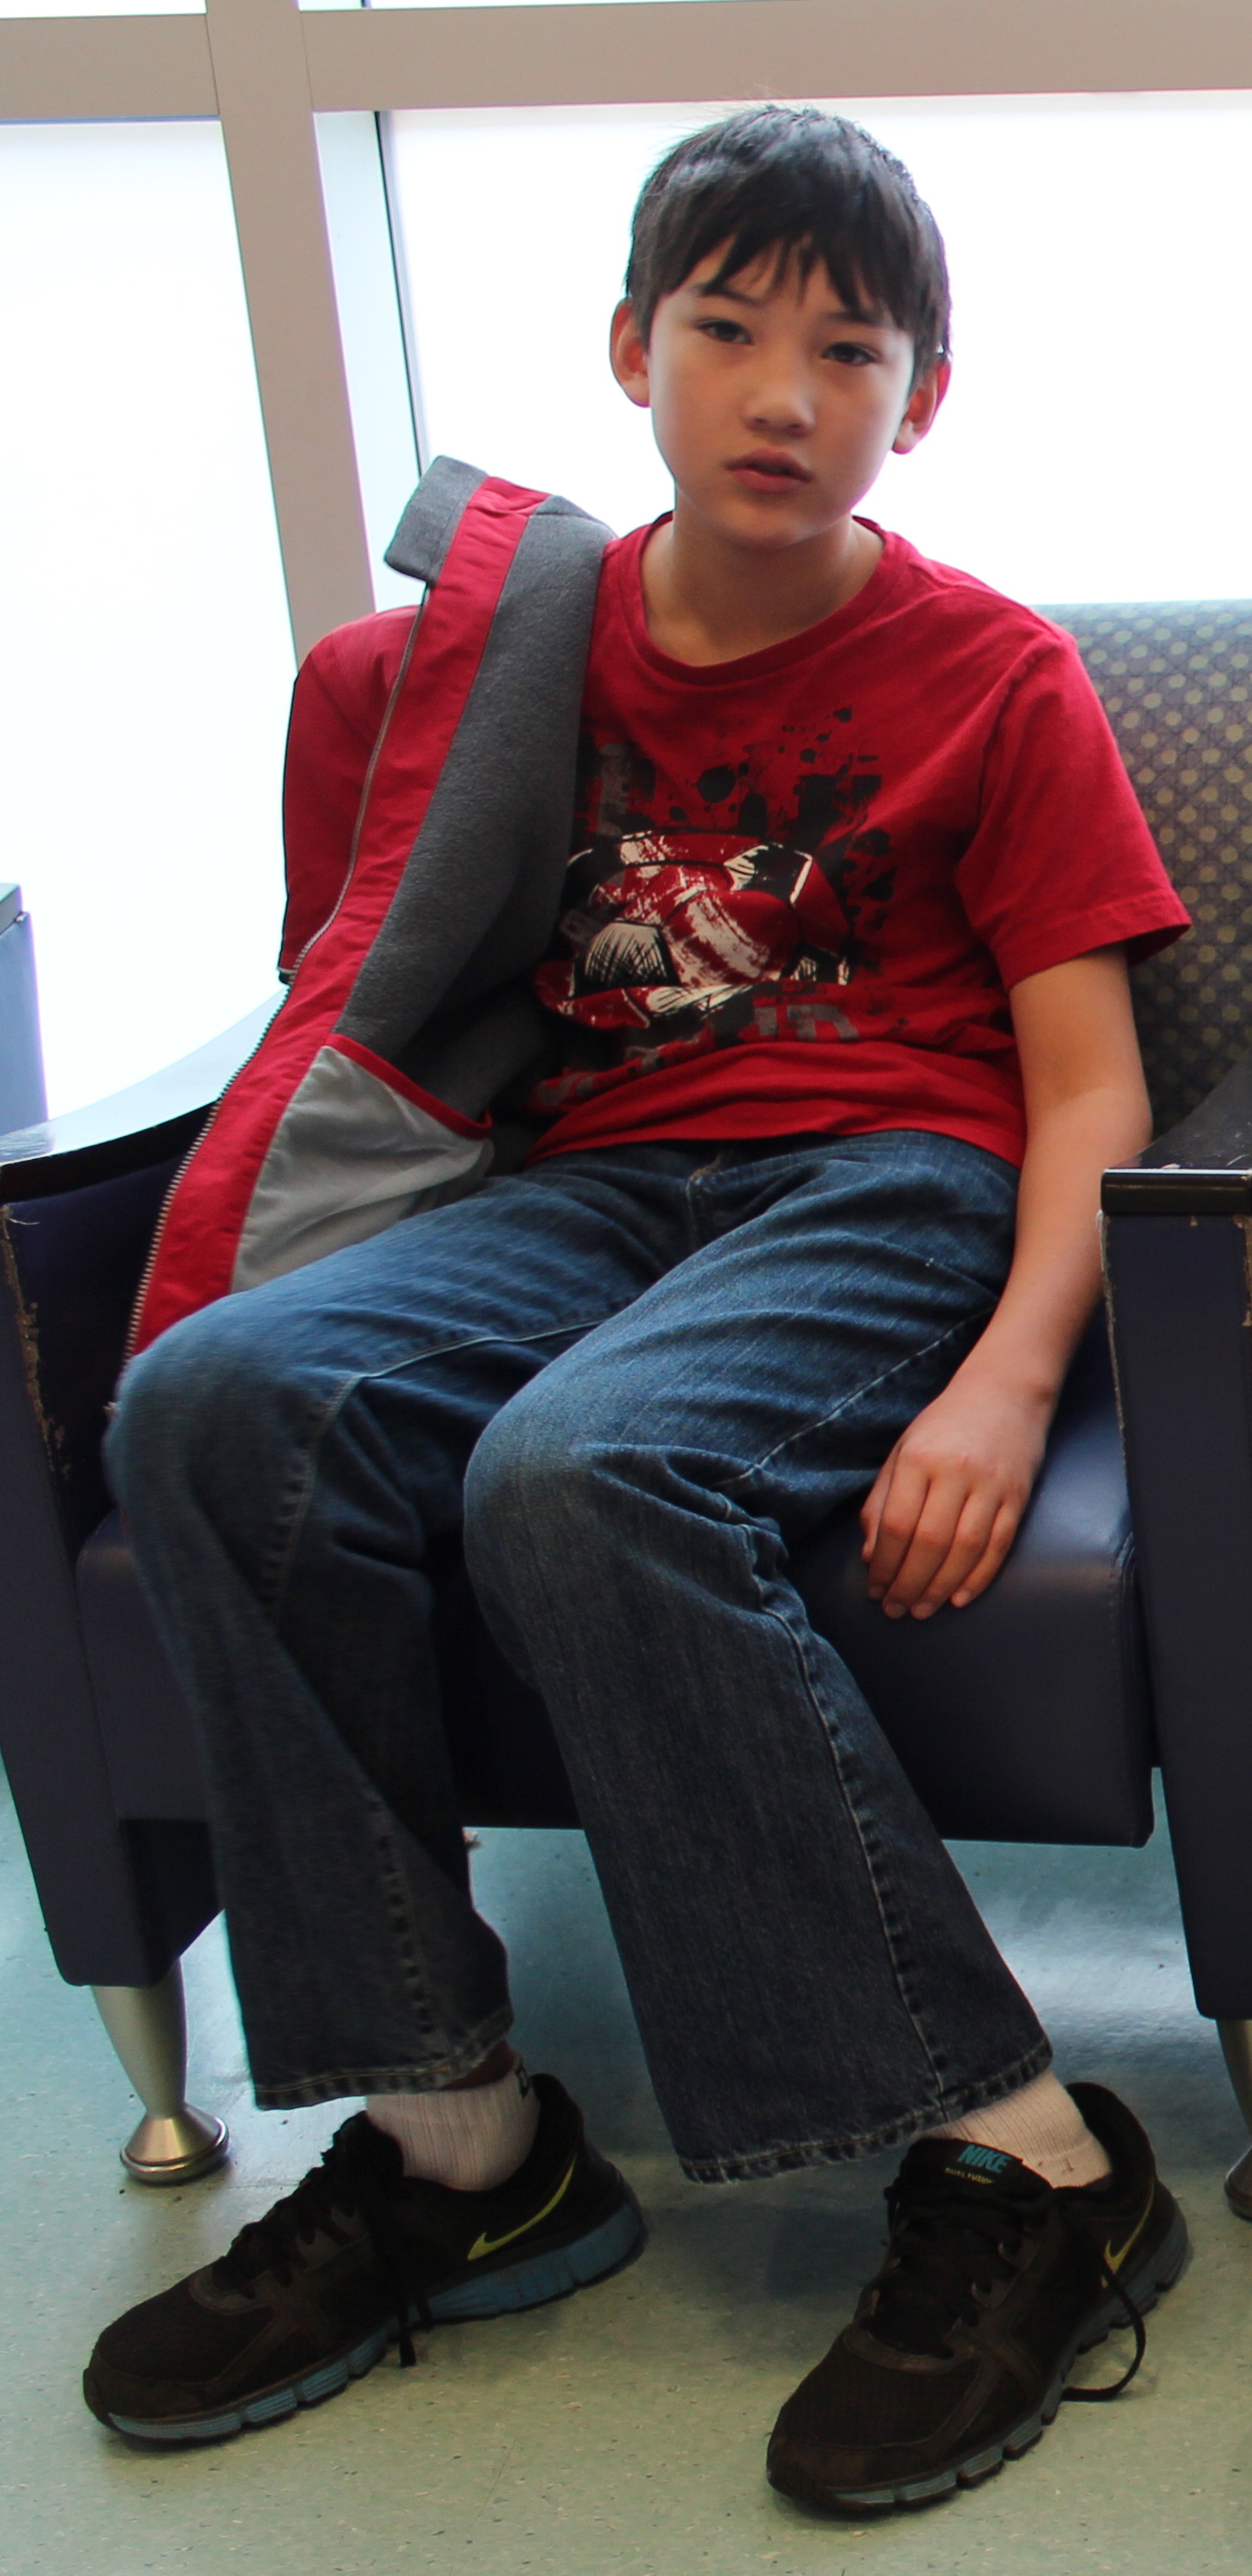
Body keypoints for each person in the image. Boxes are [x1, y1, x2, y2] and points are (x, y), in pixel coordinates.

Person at [83, 106, 1191, 2512]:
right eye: (727, 328)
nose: (782, 392)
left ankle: (1037, 2158)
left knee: (576, 1475)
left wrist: (1016, 1380)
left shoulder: (993, 672)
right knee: (210, 1404)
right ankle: (463, 2146)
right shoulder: (487, 674)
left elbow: (1090, 1085)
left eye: (850, 350)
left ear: (922, 400)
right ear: (629, 350)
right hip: (580, 1186)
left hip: (885, 1180)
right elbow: (365, 988)